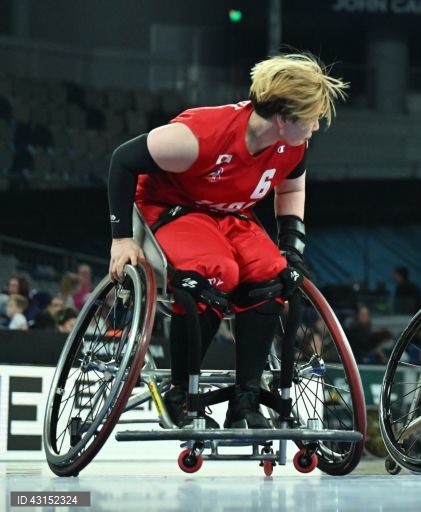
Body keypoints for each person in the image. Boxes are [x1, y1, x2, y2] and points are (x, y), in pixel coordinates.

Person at [107, 52, 348, 429]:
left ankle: (245, 400)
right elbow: (122, 161)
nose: (317, 126)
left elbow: (290, 188)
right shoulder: (199, 136)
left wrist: (292, 246)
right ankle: (180, 392)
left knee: (273, 273)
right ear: (283, 119)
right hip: (173, 207)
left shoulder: (292, 144)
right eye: (313, 118)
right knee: (215, 271)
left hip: (229, 212)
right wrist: (121, 239)